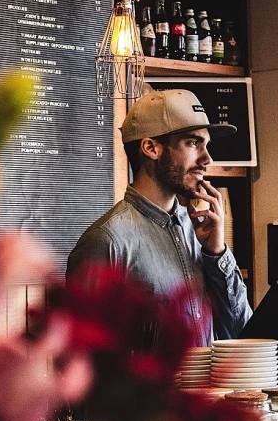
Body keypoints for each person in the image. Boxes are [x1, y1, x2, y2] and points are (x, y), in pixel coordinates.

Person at [66, 89, 252, 346]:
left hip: (207, 388)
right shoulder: (106, 241)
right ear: (151, 148)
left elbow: (241, 333)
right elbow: (84, 358)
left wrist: (216, 253)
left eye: (206, 145)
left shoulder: (201, 232)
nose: (207, 159)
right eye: (193, 143)